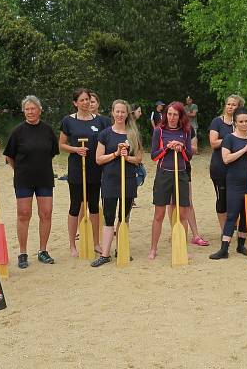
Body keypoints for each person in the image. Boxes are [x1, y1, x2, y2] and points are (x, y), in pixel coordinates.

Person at [3, 95, 59, 268]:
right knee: (24, 214)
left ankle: (43, 250)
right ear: (23, 111)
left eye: (33, 108)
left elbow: (51, 153)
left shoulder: (48, 130)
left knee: (46, 213)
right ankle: (22, 252)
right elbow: (9, 157)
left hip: (44, 178)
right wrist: (20, 171)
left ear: (40, 109)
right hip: (23, 179)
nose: (30, 112)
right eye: (27, 109)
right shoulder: (17, 131)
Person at [92, 100, 144, 266]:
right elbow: (98, 159)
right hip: (110, 180)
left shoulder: (133, 134)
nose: (120, 115)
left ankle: (121, 249)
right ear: (112, 112)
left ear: (127, 114)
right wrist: (115, 154)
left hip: (128, 181)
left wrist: (127, 157)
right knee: (108, 217)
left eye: (123, 112)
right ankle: (105, 254)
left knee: (123, 217)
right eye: (117, 112)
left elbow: (139, 159)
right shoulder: (105, 134)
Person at [59, 88, 110, 257]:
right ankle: (72, 244)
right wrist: (75, 149)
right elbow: (62, 144)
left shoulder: (101, 121)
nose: (86, 103)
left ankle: (96, 242)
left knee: (94, 206)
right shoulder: (68, 121)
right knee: (75, 206)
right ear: (75, 103)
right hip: (76, 169)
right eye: (82, 100)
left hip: (95, 169)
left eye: (87, 99)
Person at [209, 109, 247, 259]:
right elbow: (226, 159)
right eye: (241, 121)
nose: (244, 124)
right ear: (235, 123)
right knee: (232, 214)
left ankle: (241, 245)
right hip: (234, 181)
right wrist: (244, 150)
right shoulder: (229, 138)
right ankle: (224, 249)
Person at [148, 102, 193, 259]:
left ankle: (182, 248)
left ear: (180, 116)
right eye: (169, 114)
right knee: (159, 214)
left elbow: (189, 157)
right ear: (165, 115)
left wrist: (181, 147)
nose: (172, 117)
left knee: (182, 214)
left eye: (175, 114)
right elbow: (154, 156)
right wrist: (167, 148)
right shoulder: (159, 131)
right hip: (164, 174)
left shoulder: (186, 131)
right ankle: (153, 249)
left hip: (181, 174)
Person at [208, 95, 240, 231]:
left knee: (236, 199)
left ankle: (236, 225)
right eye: (228, 104)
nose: (230, 107)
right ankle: (225, 229)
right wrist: (230, 138)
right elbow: (213, 143)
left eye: (234, 105)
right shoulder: (217, 122)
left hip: (237, 167)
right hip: (219, 167)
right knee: (222, 199)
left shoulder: (241, 123)